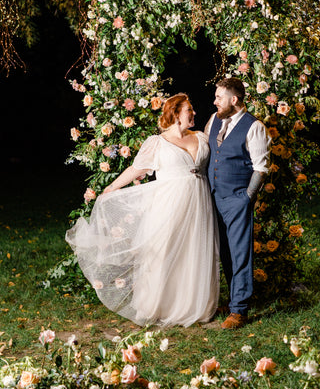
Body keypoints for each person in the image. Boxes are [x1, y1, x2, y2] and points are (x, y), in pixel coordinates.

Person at [66, 93, 219, 328]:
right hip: (169, 204)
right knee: (164, 249)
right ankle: (158, 305)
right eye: (190, 109)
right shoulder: (157, 143)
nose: (194, 113)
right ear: (176, 114)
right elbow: (136, 170)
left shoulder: (201, 137)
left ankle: (191, 305)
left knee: (194, 249)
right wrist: (111, 187)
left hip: (199, 203)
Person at [205, 77, 271, 329]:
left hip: (237, 198)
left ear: (234, 100)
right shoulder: (213, 121)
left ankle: (239, 310)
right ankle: (234, 300)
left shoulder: (254, 127)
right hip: (213, 196)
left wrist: (246, 198)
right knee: (225, 252)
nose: (214, 101)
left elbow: (261, 168)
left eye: (219, 97)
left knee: (241, 253)